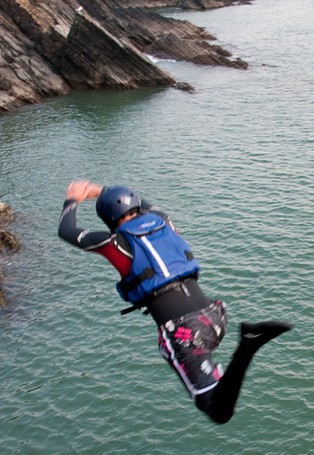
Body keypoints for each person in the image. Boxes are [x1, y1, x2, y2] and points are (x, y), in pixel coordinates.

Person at [59, 180, 292, 424]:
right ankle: (248, 343)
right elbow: (144, 205)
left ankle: (249, 345)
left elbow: (66, 231)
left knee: (218, 411)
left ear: (109, 219)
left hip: (185, 333)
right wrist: (102, 191)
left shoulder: (114, 242)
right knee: (219, 397)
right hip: (214, 316)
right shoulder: (163, 220)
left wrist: (72, 200)